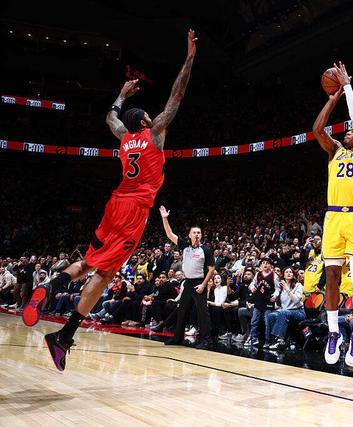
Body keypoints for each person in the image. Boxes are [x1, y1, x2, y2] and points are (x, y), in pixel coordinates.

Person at [22, 30, 198, 371]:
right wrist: (189, 58)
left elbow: (110, 118)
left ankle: (53, 290)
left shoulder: (124, 138)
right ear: (145, 121)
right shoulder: (154, 134)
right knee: (104, 274)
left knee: (89, 262)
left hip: (114, 204)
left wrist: (120, 94)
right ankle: (63, 334)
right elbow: (176, 96)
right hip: (134, 211)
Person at [312, 61, 353, 367]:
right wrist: (333, 98)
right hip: (332, 218)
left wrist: (348, 87)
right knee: (331, 276)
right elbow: (317, 130)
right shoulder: (335, 150)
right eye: (348, 130)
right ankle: (334, 332)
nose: (349, 131)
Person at [160, 205, 215, 349]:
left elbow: (211, 269)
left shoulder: (206, 250)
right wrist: (165, 218)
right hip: (188, 282)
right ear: (189, 235)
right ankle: (177, 338)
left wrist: (203, 285)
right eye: (194, 232)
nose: (197, 234)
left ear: (201, 235)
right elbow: (169, 234)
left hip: (199, 282)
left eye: (199, 232)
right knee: (182, 310)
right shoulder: (184, 246)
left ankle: (206, 340)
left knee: (202, 312)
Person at [266, 267, 305, 350]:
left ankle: (280, 340)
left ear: (293, 275)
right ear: (283, 275)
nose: (289, 273)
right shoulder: (281, 287)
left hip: (298, 312)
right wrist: (275, 297)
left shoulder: (298, 285)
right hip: (285, 311)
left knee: (284, 313)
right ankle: (274, 339)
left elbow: (296, 300)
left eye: (290, 272)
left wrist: (287, 289)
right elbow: (281, 302)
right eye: (286, 272)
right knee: (271, 315)